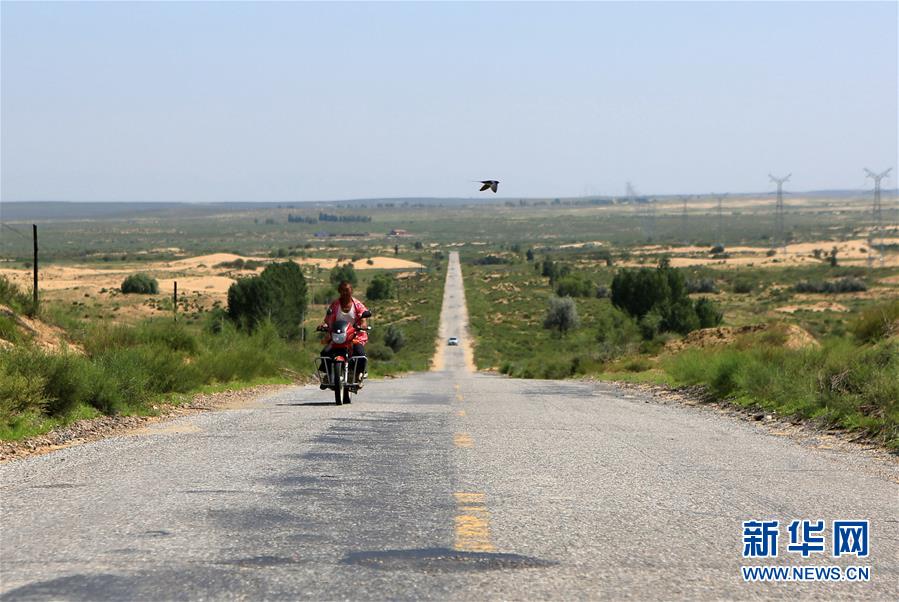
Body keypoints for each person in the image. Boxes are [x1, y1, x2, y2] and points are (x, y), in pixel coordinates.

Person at [319, 280, 369, 378]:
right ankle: (328, 375)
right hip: (338, 337)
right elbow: (327, 319)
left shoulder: (357, 305)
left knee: (360, 353)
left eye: (347, 290)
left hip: (354, 336)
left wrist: (363, 325)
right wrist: (324, 325)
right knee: (325, 352)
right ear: (339, 291)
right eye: (342, 290)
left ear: (352, 291)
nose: (345, 293)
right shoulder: (335, 305)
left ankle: (359, 372)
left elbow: (363, 318)